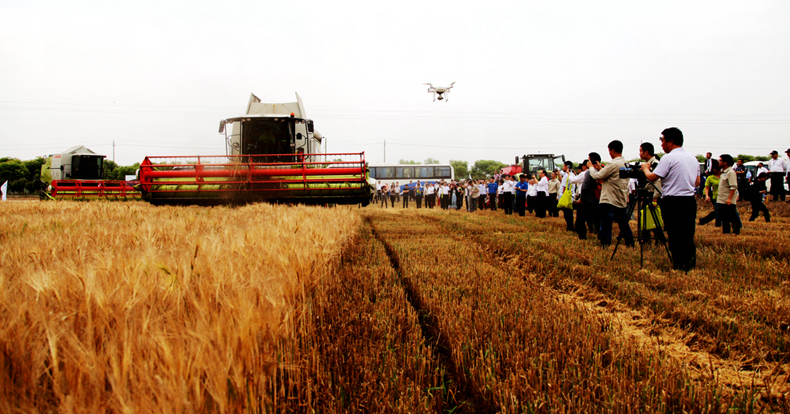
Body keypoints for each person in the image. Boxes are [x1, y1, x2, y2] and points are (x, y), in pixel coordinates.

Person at [641, 127, 700, 272]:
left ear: (671, 141)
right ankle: (690, 264)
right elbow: (697, 182)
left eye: (662, 140)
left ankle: (679, 265)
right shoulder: (693, 158)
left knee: (675, 234)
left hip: (673, 201)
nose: (661, 144)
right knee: (688, 234)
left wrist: (645, 168)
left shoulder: (668, 158)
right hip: (689, 200)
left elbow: (652, 177)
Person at [589, 140, 633, 247]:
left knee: (606, 225)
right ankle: (630, 243)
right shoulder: (625, 163)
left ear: (612, 150)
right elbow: (612, 175)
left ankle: (606, 245)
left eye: (609, 151)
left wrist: (590, 167)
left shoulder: (613, 163)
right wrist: (600, 168)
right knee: (624, 224)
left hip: (609, 199)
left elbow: (597, 176)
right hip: (621, 199)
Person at [717, 154, 741, 235]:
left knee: (733, 216)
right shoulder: (723, 172)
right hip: (722, 199)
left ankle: (736, 231)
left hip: (728, 199)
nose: (719, 162)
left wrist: (729, 198)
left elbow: (733, 187)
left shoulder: (731, 172)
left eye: (720, 160)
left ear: (725, 162)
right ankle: (726, 232)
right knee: (724, 217)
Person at [698, 160, 721, 226]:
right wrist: (707, 195)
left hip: (723, 195)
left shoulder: (724, 176)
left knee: (719, 210)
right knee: (718, 210)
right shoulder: (710, 177)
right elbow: (707, 187)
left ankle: (704, 220)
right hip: (714, 195)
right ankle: (717, 224)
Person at [558, 161, 575, 231]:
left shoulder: (566, 175)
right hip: (570, 195)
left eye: (563, 166)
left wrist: (561, 196)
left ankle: (570, 227)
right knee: (569, 212)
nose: (563, 168)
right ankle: (570, 226)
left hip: (566, 196)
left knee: (567, 213)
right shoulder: (572, 175)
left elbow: (565, 187)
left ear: (567, 167)